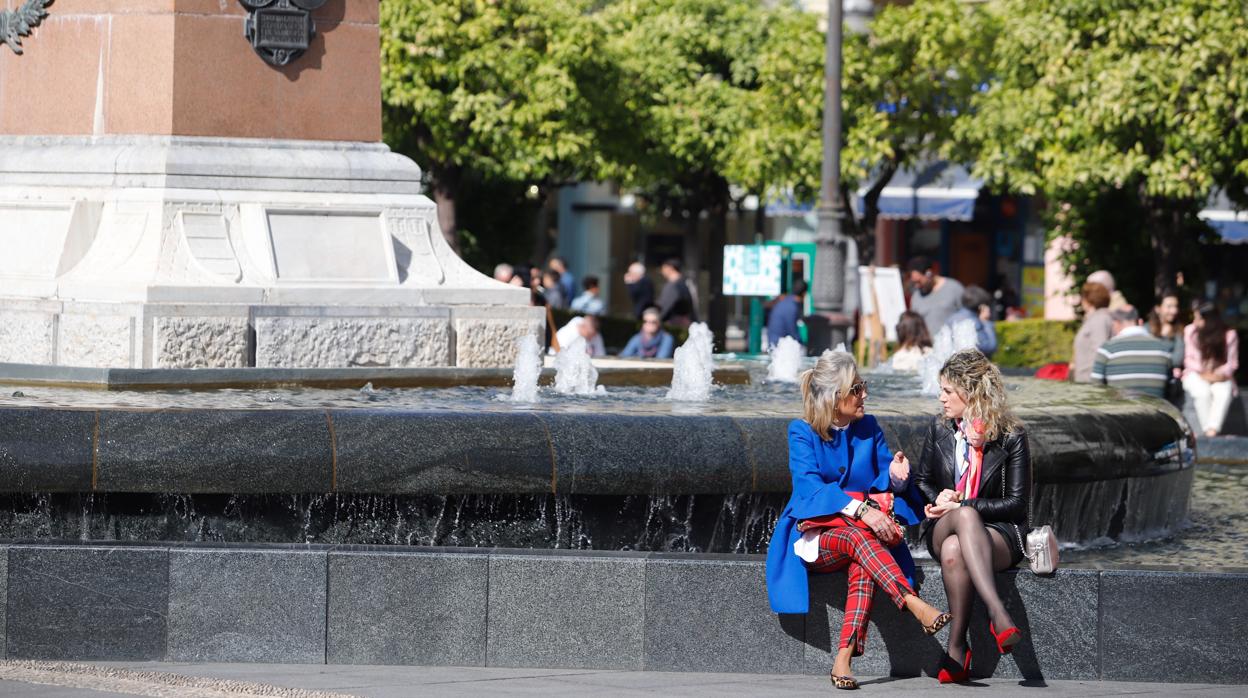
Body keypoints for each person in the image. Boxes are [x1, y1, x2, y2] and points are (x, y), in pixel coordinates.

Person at [766, 351, 952, 690]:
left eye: (862, 386)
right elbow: (809, 487)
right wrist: (862, 509)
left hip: (860, 540)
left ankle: (843, 659)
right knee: (857, 538)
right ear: (835, 397)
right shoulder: (802, 432)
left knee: (862, 561)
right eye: (856, 388)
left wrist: (897, 477)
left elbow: (885, 475)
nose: (864, 394)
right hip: (816, 537)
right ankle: (912, 602)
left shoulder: (868, 426)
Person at [914, 349, 1032, 684]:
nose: (941, 398)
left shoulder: (1011, 436)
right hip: (944, 524)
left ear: (972, 392)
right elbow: (922, 480)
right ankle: (998, 613)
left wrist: (968, 503)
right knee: (962, 519)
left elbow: (1017, 504)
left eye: (948, 391)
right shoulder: (939, 430)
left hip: (999, 533)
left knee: (955, 550)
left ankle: (956, 647)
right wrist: (940, 498)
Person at [1182, 302, 1240, 437]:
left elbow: (1232, 363)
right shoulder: (1190, 331)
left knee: (1223, 391)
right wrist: (1204, 371)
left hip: (1220, 376)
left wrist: (1217, 373)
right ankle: (1210, 434)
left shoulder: (1229, 335)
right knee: (1202, 392)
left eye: (1198, 318)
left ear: (1210, 321)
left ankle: (1211, 432)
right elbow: (1188, 360)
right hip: (1196, 374)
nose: (1195, 322)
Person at [1091, 306, 1173, 398]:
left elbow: (1096, 389)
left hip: (1120, 411)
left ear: (1116, 323)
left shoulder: (1107, 349)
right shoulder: (1163, 348)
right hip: (1157, 411)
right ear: (1140, 322)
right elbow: (1171, 388)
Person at [906, 256, 965, 333]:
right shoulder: (916, 296)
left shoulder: (954, 288)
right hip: (926, 344)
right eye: (914, 282)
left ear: (929, 274)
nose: (917, 286)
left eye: (919, 281)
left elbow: (968, 315)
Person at [1071, 281, 1113, 382]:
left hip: (1090, 383)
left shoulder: (1100, 319)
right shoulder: (1094, 319)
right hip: (1085, 381)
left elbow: (1099, 351)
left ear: (1089, 299)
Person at [945, 285, 997, 357]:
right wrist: (986, 322)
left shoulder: (951, 319)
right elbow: (989, 347)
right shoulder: (975, 322)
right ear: (981, 307)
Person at [1148, 290, 1185, 371]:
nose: (1174, 311)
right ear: (1158, 309)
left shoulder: (1179, 331)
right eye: (1169, 306)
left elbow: (1177, 360)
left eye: (1176, 306)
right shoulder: (1146, 329)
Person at [657, 258, 698, 327]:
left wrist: (657, 318)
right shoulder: (684, 283)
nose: (662, 271)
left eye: (663, 268)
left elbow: (666, 305)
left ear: (670, 268)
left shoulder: (674, 285)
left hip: (675, 324)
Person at [766, 280, 807, 348]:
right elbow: (791, 329)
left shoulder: (785, 302)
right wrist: (800, 342)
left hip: (774, 341)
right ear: (804, 294)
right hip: (779, 344)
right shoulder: (791, 307)